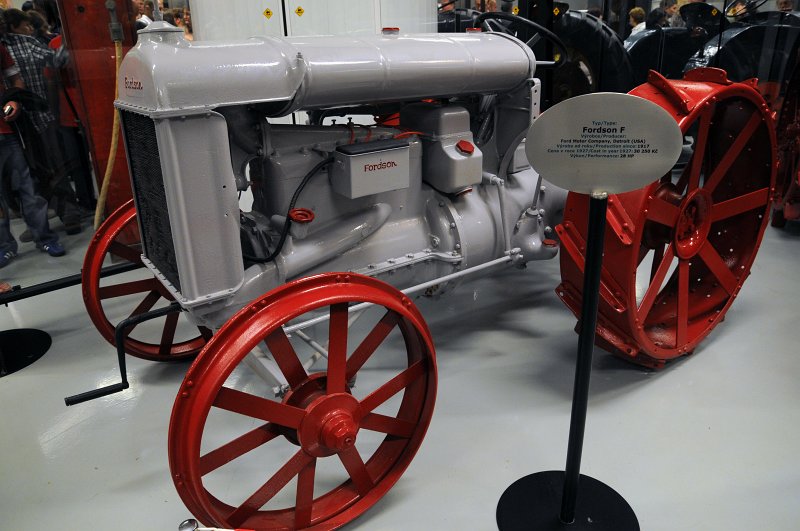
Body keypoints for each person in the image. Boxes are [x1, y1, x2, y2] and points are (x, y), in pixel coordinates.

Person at [1, 41, 65, 268]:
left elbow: (16, 78)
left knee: (27, 186)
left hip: (7, 131)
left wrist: (14, 99)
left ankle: (45, 238)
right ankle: (4, 247)